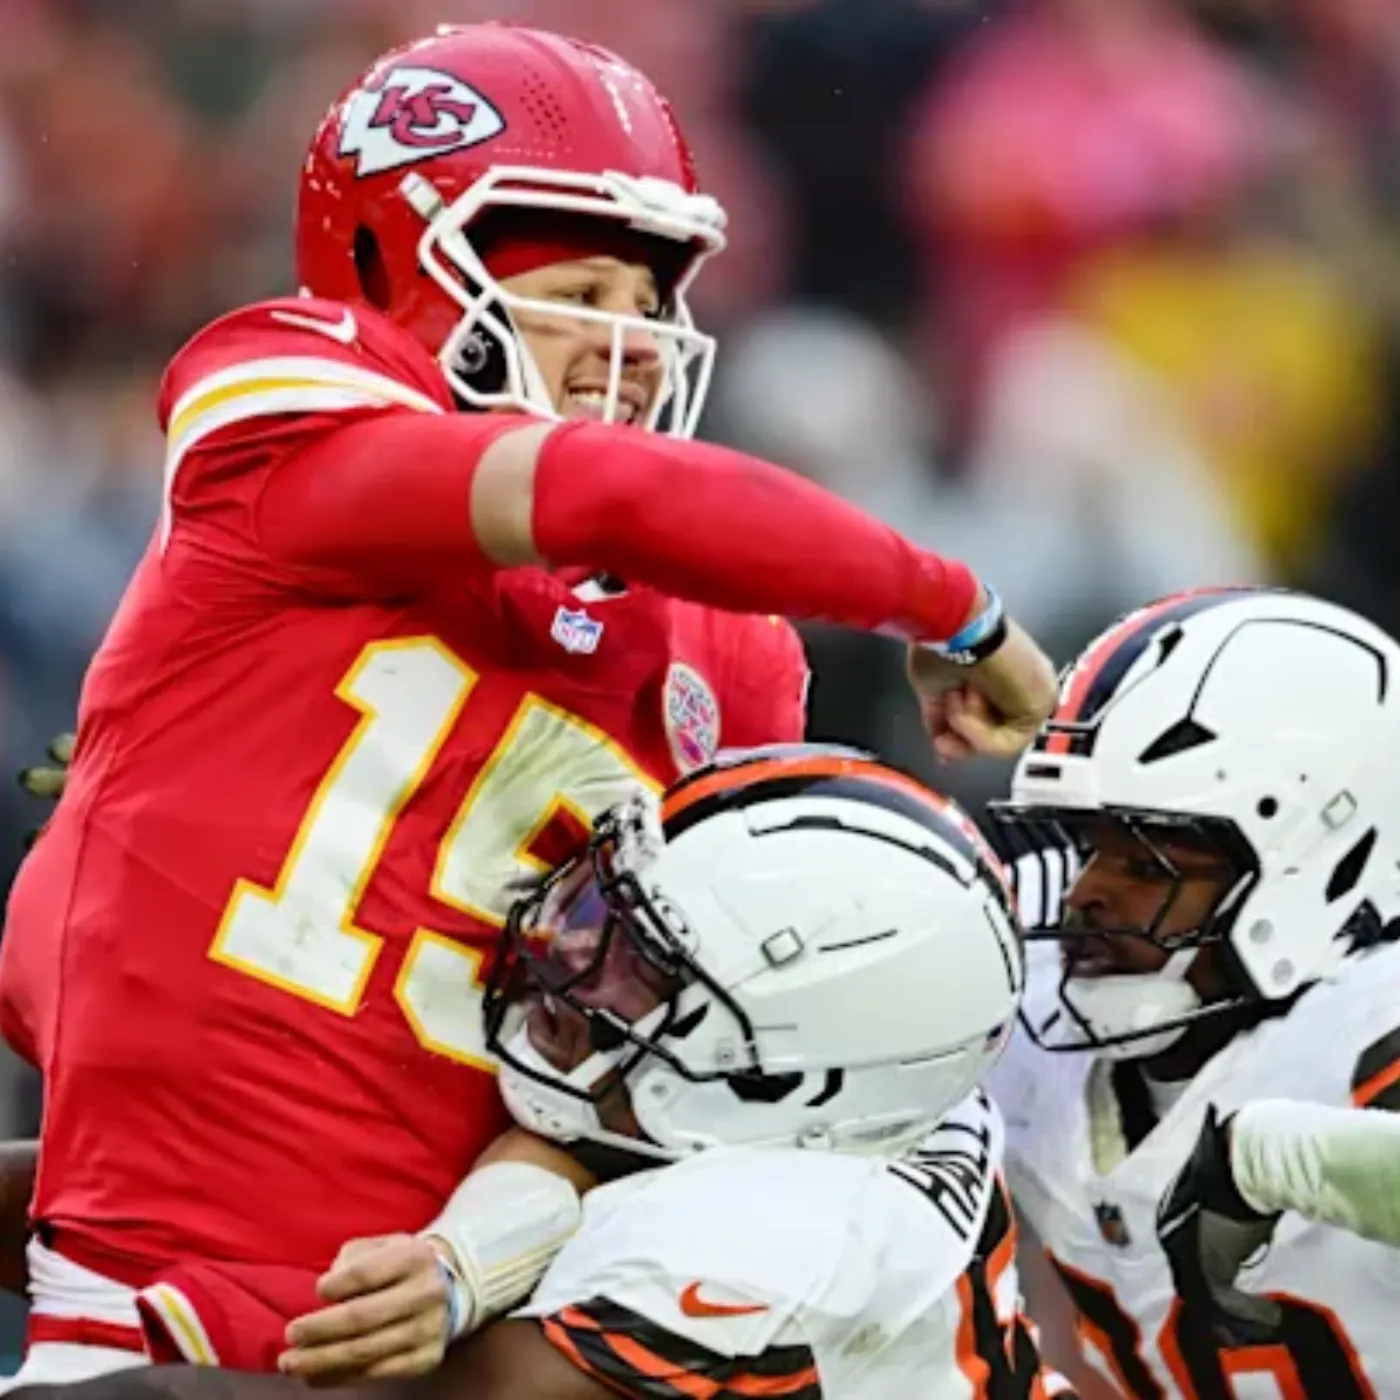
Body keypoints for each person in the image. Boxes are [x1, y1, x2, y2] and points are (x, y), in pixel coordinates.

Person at [0, 19, 1057, 1387]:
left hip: (433, 1330)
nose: (627, 343)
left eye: (648, 300)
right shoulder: (284, 414)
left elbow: (644, 1078)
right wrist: (950, 606)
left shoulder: (732, 647)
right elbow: (593, 491)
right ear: (394, 264)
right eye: (582, 288)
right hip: (151, 1304)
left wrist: (467, 1262)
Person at [14, 743, 1075, 1399]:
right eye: (600, 913)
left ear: (780, 1076)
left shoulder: (770, 1240)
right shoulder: (833, 1092)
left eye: (634, 968)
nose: (569, 963)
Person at [988, 586, 1400, 1397]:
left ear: (1320, 865)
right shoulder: (1020, 1000)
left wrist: (1277, 1158)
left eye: (1150, 864)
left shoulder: (1367, 1021)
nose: (1083, 897)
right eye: (1088, 847)